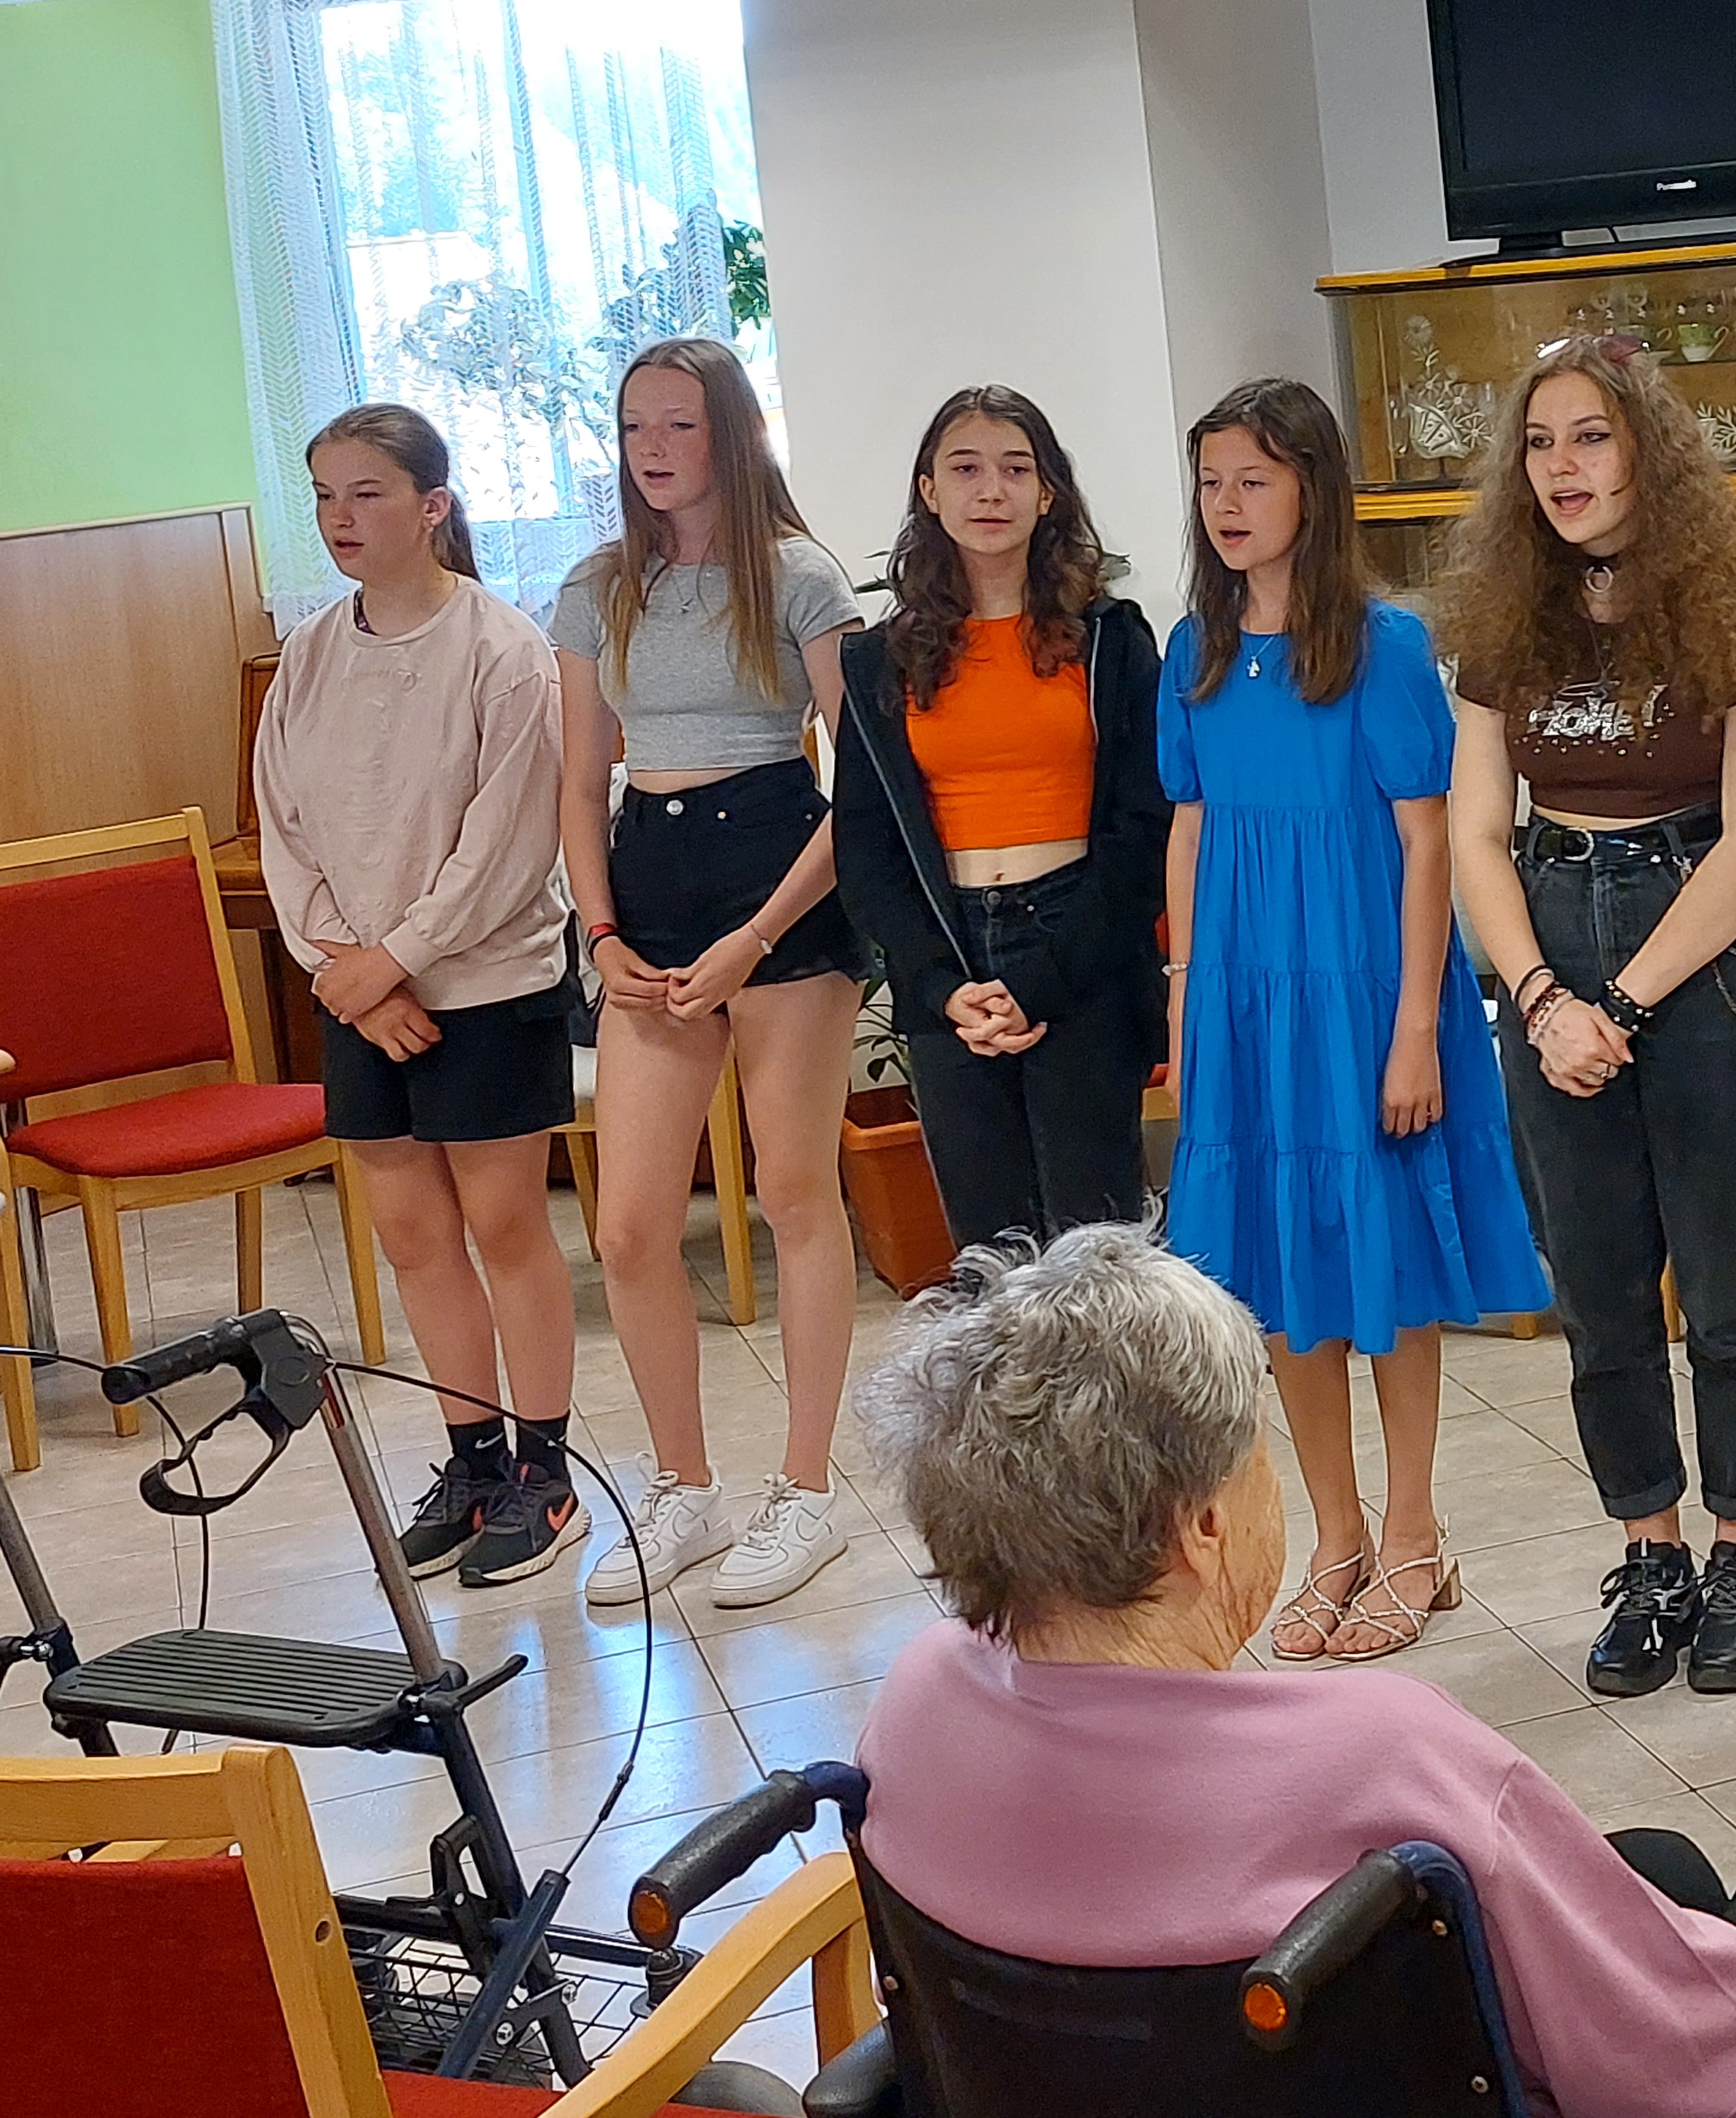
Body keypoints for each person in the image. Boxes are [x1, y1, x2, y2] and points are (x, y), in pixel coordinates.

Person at [851, 1227, 1736, 2118]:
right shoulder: (1377, 1757)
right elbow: (1694, 2083)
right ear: (1204, 1528)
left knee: (1659, 1869)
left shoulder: (915, 1709)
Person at [1434, 336, 1736, 1700]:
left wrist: (1624, 1003)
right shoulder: (1498, 617)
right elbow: (1476, 834)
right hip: (1549, 942)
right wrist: (1542, 1000)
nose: (1562, 467)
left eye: (1589, 436)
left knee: (1727, 1291)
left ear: (1647, 449)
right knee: (1598, 1296)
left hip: (1700, 957)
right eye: (1540, 443)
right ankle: (1649, 1555)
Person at [1157, 378, 1550, 1664]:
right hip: (1245, 1000)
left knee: (1383, 1254)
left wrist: (1418, 1026)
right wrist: (1187, 1000)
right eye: (1211, 482)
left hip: (1366, 994)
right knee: (1281, 1271)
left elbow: (1429, 844)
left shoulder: (1383, 646)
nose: (1228, 505)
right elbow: (1190, 830)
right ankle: (1338, 1536)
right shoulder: (1193, 649)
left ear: (1313, 492)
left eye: (1254, 480)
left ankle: (1417, 1533)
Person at [553, 336, 869, 1611]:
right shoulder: (597, 587)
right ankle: (684, 1486)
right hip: (648, 889)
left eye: (680, 424)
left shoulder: (798, 574)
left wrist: (757, 936)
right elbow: (580, 779)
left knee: (793, 1191)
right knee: (629, 1225)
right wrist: (601, 932)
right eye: (637, 425)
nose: (654, 448)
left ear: (732, 435)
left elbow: (865, 784)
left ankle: (806, 1491)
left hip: (780, 878)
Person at [251, 405, 583, 1586]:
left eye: (368, 494)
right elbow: (283, 827)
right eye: (324, 497)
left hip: (484, 979)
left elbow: (509, 843)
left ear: (433, 506)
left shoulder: (502, 648)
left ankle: (545, 1474)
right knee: (410, 1235)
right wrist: (342, 972)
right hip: (357, 988)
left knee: (503, 1226)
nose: (340, 519)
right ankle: (473, 1461)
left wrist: (392, 960)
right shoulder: (308, 654)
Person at [834, 386, 1171, 1253]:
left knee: (1098, 1251)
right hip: (950, 958)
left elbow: (1143, 829)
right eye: (966, 469)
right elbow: (866, 848)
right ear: (929, 491)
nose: (991, 491)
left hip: (1079, 947)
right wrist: (945, 989)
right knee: (990, 1256)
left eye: (1016, 470)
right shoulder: (879, 659)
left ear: (1048, 492)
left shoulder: (1109, 638)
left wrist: (1039, 986)